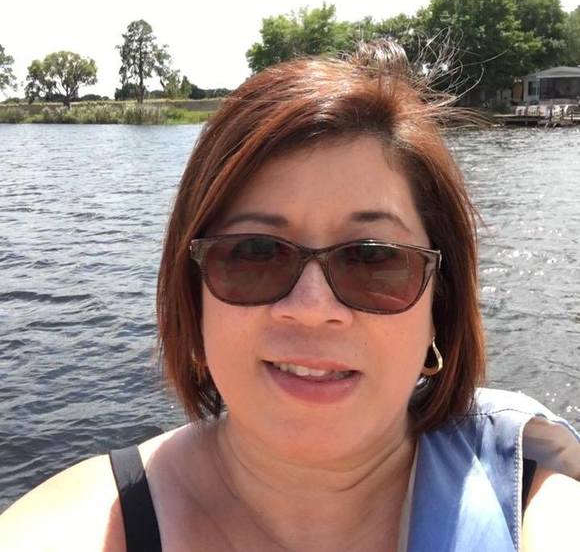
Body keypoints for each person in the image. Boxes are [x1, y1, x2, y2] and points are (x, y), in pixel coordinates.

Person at [1, 40, 579, 552]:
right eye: (255, 253)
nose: (311, 308)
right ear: (192, 294)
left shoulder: (538, 516)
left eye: (373, 257)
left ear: (439, 307)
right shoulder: (75, 531)